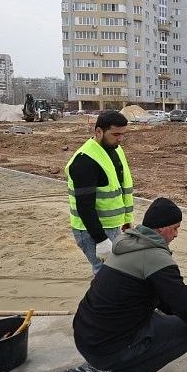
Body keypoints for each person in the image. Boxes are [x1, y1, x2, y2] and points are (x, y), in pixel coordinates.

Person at [73, 197, 187, 372]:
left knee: (175, 316)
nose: (177, 234)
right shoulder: (154, 257)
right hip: (105, 346)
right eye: (175, 228)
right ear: (160, 230)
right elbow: (181, 298)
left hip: (88, 335)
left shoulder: (128, 244)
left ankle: (124, 363)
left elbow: (166, 298)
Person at [66, 110, 134, 274]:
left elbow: (120, 187)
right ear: (98, 132)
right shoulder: (85, 161)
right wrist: (101, 240)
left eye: (123, 134)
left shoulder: (114, 149)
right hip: (91, 230)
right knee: (106, 275)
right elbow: (85, 207)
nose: (120, 139)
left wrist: (126, 220)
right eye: (116, 134)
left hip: (112, 225)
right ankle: (99, 301)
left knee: (113, 274)